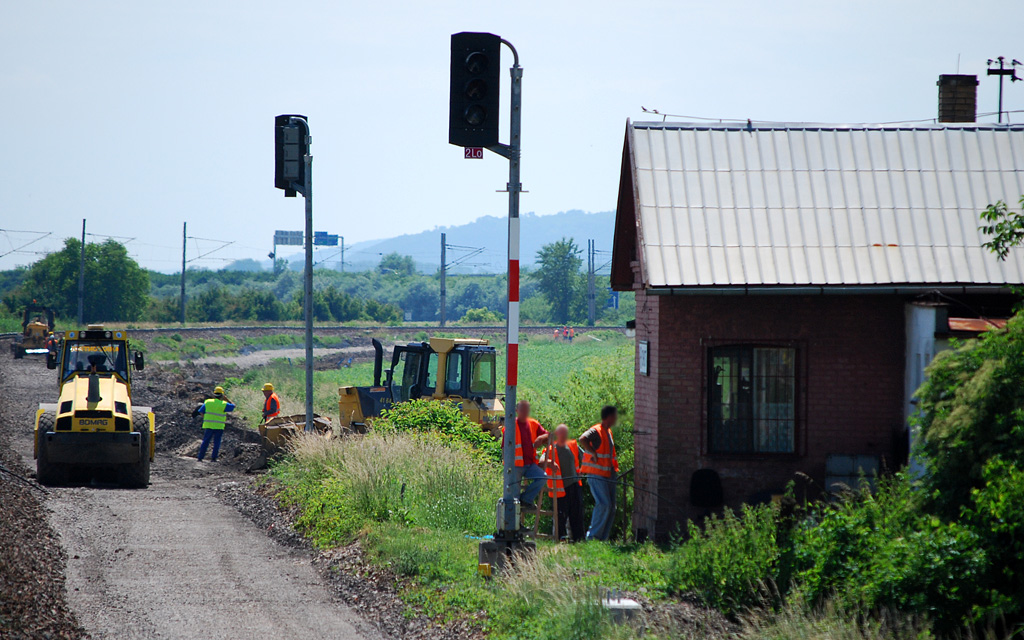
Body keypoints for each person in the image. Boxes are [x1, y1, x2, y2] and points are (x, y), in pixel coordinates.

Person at [579, 405, 619, 541]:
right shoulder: (597, 430)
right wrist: (592, 453)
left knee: (612, 507)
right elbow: (582, 439)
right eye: (615, 416)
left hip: (608, 474)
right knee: (604, 504)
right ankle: (593, 537)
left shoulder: (608, 432)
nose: (616, 418)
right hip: (597, 474)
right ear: (609, 416)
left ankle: (602, 539)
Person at [540, 424, 585, 542]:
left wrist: (583, 470)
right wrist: (550, 462)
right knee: (560, 516)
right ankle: (558, 539)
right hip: (560, 489)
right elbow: (541, 461)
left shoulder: (572, 445)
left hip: (575, 485)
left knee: (577, 515)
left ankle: (578, 540)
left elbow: (585, 457)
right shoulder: (550, 450)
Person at [501, 400, 549, 509]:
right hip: (515, 466)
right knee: (514, 496)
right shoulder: (511, 426)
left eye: (527, 410)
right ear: (517, 411)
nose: (525, 412)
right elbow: (504, 448)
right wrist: (507, 466)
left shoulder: (533, 424)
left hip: (530, 464)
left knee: (542, 477)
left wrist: (541, 437)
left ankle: (526, 499)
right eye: (522, 410)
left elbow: (549, 436)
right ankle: (516, 524)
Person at [193, 386, 235, 462]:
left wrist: (206, 418)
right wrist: (227, 399)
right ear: (222, 395)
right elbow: (233, 406)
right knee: (217, 442)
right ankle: (213, 458)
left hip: (208, 425)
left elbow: (201, 411)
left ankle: (200, 457)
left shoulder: (208, 402)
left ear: (214, 394)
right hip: (219, 426)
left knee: (205, 441)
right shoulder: (224, 404)